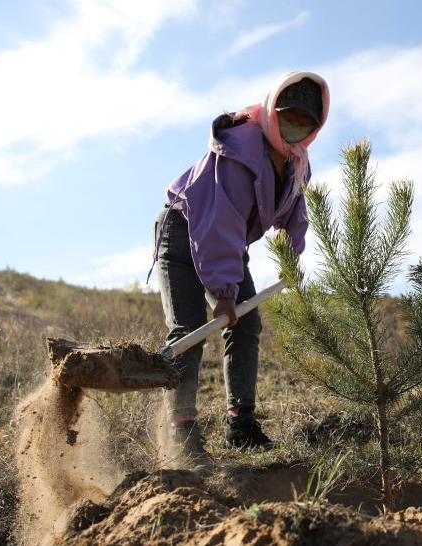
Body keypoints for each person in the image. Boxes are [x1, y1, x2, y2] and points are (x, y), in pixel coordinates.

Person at [149, 72, 329, 465]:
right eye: (287, 118)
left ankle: (241, 426)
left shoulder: (295, 161)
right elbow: (220, 225)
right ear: (270, 111)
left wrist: (292, 256)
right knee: (190, 331)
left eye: (304, 124)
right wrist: (225, 294)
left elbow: (295, 210)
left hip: (226, 244)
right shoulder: (240, 152)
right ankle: (182, 434)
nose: (294, 129)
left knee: (246, 324)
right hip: (184, 230)